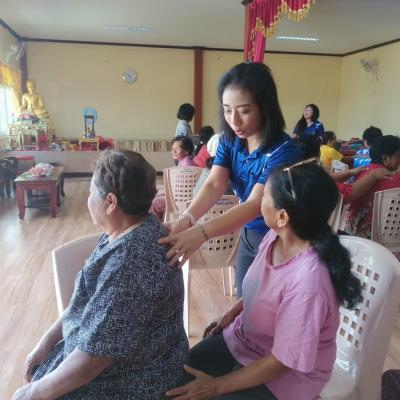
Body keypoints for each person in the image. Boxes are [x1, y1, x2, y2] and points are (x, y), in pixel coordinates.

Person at [166, 163, 362, 400]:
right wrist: (231, 313)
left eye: (265, 195)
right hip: (245, 341)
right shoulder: (275, 236)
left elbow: (282, 362)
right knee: (171, 379)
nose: (258, 200)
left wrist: (215, 387)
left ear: (282, 216)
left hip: (286, 376)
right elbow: (264, 289)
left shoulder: (309, 283)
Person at [11, 150, 189, 400]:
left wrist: (32, 393)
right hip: (109, 362)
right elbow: (86, 302)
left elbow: (94, 359)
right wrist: (47, 341)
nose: (88, 200)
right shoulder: (131, 230)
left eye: (91, 192)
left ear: (111, 202)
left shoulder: (131, 262)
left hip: (136, 381)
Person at [160, 62, 301, 299]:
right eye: (227, 110)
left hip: (280, 240)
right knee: (243, 304)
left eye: (244, 111)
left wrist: (201, 233)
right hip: (249, 235)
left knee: (269, 310)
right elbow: (215, 183)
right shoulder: (229, 140)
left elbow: (255, 203)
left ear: (265, 107)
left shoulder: (284, 151)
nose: (234, 121)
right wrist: (186, 219)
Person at [298, 134, 395, 204]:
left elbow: (329, 178)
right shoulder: (314, 174)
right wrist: (373, 175)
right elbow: (345, 194)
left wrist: (350, 172)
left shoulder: (297, 171)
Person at [345, 134, 400, 238]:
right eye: (398, 156)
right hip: (386, 236)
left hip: (353, 231)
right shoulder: (395, 177)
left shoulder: (362, 171)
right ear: (385, 158)